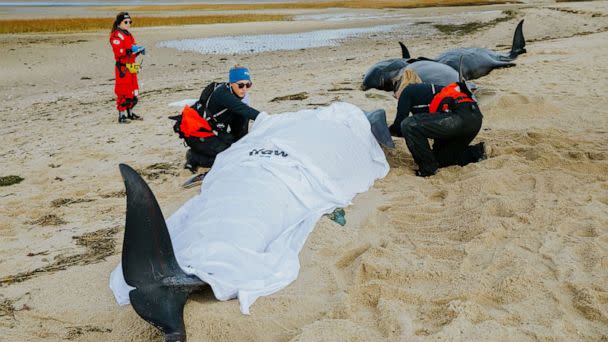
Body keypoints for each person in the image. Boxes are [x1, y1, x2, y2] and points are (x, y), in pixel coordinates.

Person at [390, 77, 486, 177]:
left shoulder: (407, 91)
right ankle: (477, 152)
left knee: (408, 125)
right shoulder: (431, 92)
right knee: (441, 158)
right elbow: (432, 124)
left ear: (399, 88)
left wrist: (387, 131)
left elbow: (399, 125)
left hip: (458, 117)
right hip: (475, 119)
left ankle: (428, 169)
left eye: (395, 95)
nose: (395, 98)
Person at [179, 65, 260, 172]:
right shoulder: (222, 94)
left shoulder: (240, 94)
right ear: (231, 83)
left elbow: (244, 113)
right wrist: (271, 119)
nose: (244, 89)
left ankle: (238, 145)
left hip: (214, 130)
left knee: (242, 118)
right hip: (197, 134)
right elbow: (246, 110)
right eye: (240, 85)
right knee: (228, 157)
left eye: (248, 84)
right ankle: (194, 157)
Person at [110, 12, 144, 123]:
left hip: (132, 65)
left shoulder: (128, 34)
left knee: (134, 89)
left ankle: (130, 113)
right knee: (123, 90)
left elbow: (133, 48)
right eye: (126, 22)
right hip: (123, 67)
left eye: (130, 22)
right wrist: (129, 50)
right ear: (119, 23)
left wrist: (138, 51)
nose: (128, 24)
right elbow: (118, 52)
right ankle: (121, 115)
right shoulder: (116, 35)